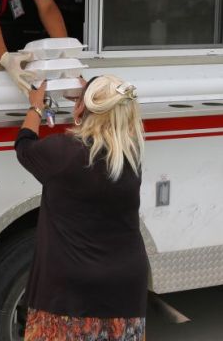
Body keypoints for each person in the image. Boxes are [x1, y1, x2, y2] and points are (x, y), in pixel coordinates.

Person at [15, 75, 148, 341]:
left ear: (81, 109)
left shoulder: (61, 153)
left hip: (69, 290)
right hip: (126, 285)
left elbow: (24, 145)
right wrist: (91, 97)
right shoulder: (130, 157)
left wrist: (36, 107)